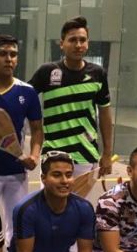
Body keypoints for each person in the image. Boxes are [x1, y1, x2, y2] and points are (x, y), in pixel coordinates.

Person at [0, 34, 43, 249]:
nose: (9, 59)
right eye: (3, 54)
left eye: (13, 54)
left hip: (16, 173)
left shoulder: (27, 92)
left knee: (18, 226)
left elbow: (37, 130)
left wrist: (34, 156)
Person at [28, 16, 114, 176]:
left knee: (78, 196)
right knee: (51, 194)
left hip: (85, 156)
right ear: (62, 44)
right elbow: (24, 98)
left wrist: (107, 153)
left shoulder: (98, 74)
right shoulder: (47, 72)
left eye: (82, 40)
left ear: (88, 43)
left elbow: (105, 114)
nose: (78, 45)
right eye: (73, 40)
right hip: (53, 156)